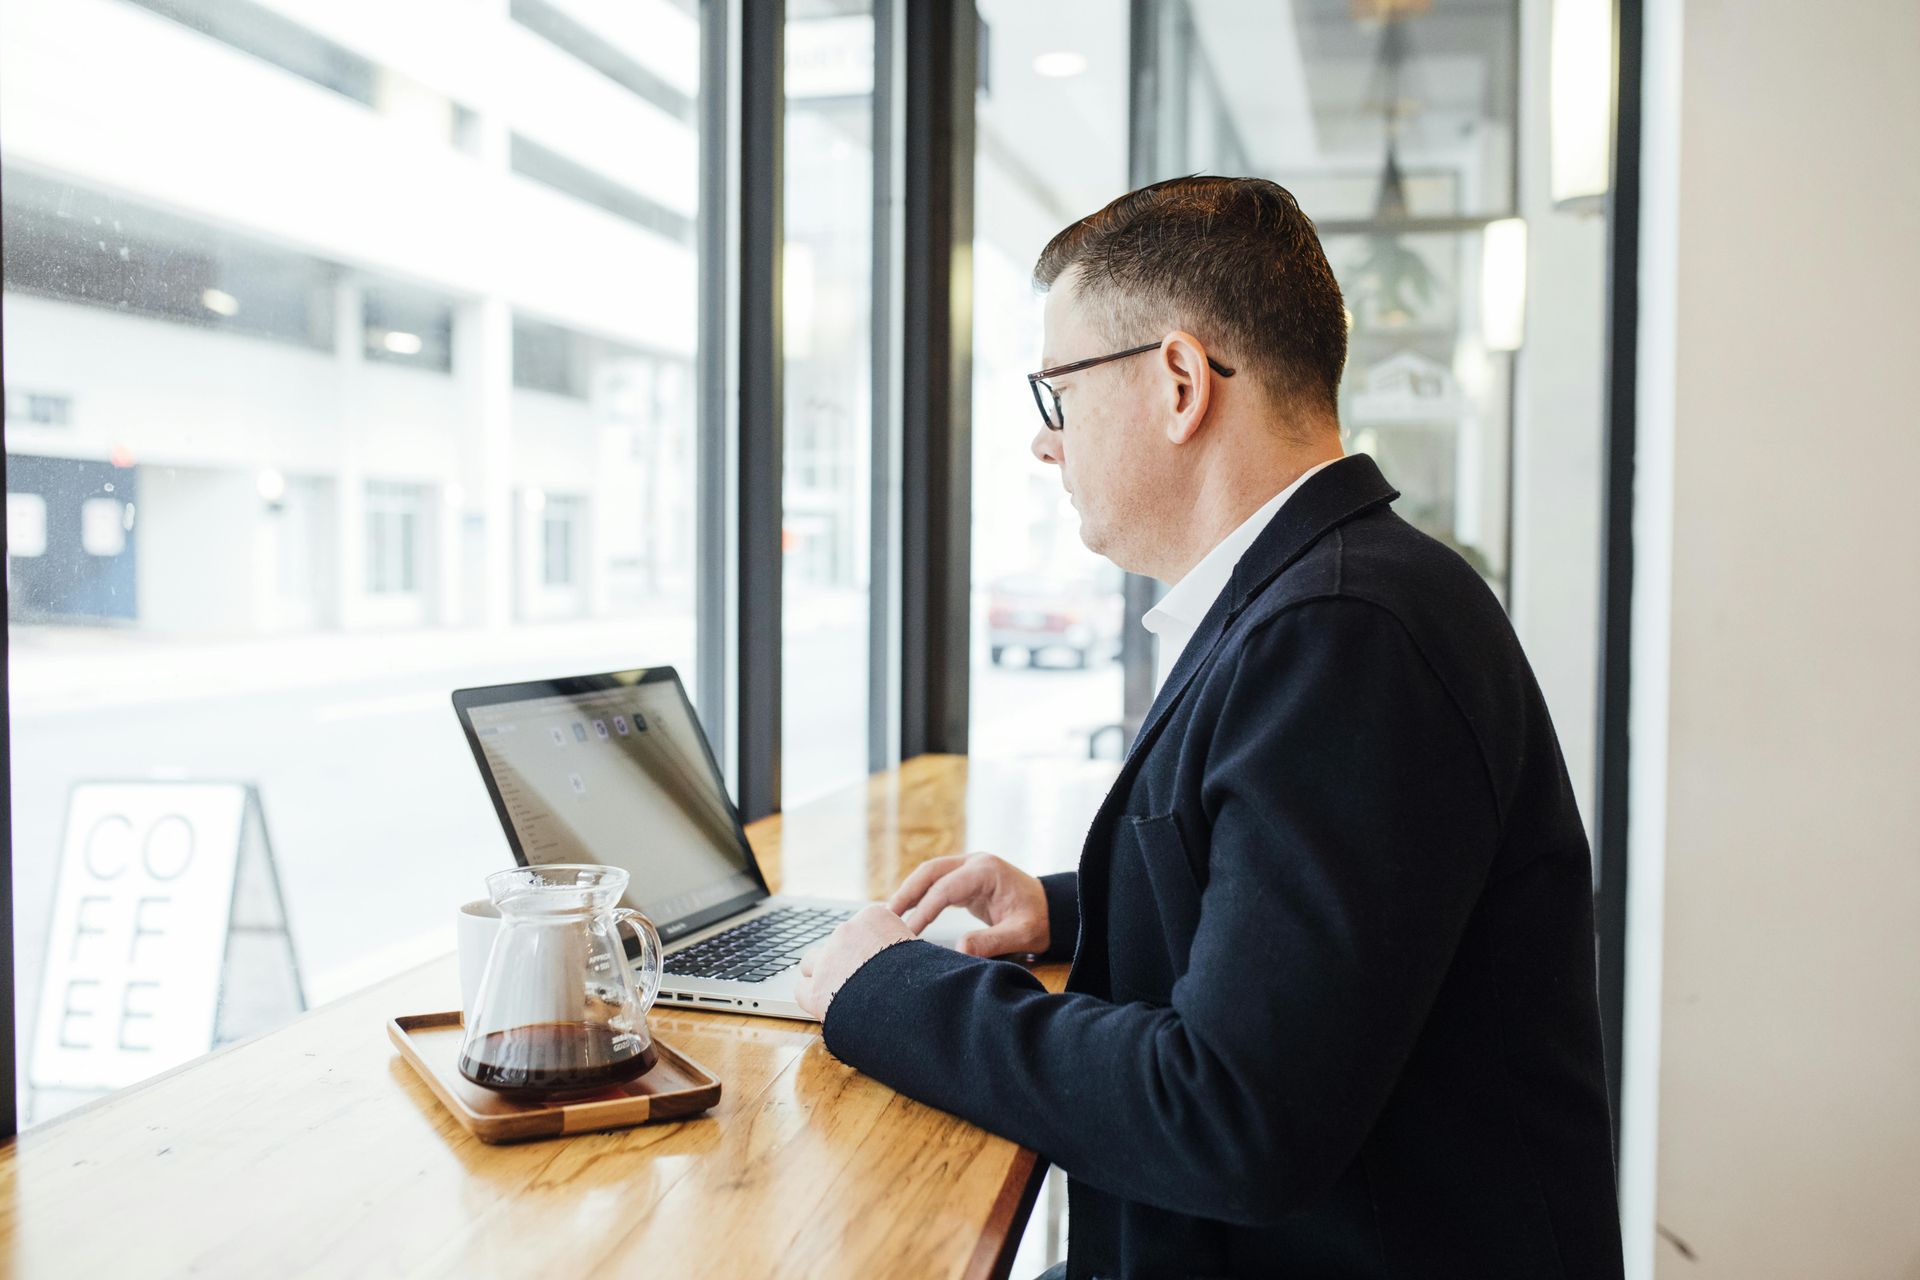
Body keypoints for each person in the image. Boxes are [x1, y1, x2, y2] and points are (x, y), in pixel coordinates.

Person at [795, 176, 1625, 1279]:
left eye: (1060, 395)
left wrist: (887, 989)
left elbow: (1229, 1114)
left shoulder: (1345, 632)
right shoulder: (1340, 591)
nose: (1049, 446)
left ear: (1180, 381)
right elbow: (1313, 910)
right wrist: (1059, 905)